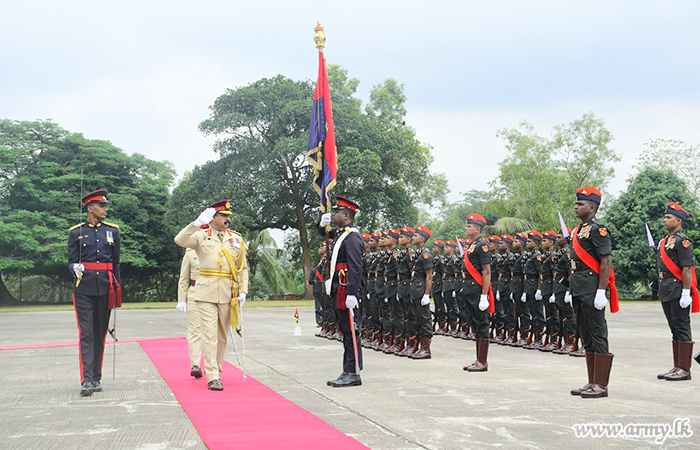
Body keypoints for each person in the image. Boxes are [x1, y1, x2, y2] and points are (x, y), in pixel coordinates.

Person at [174, 199, 248, 391]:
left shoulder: (236, 239)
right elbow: (179, 240)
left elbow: (243, 267)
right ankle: (213, 376)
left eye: (228, 216)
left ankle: (218, 371)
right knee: (209, 334)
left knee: (223, 335)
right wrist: (196, 223)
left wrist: (243, 290)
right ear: (212, 218)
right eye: (223, 215)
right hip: (205, 291)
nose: (227, 219)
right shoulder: (200, 236)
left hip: (228, 291)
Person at [68, 189, 121, 397]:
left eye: (105, 205)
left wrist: (117, 288)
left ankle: (97, 377)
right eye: (101, 206)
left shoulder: (113, 232)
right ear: (90, 208)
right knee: (87, 333)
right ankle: (87, 380)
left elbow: (115, 263)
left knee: (100, 332)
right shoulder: (76, 232)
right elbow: (70, 262)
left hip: (106, 286)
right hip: (84, 288)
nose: (105, 209)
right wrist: (74, 268)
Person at [569, 187, 617, 398]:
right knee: (585, 333)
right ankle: (591, 382)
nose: (576, 207)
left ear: (592, 207)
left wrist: (601, 291)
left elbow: (605, 261)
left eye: (580, 204)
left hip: (591, 286)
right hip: (579, 286)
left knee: (597, 334)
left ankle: (601, 385)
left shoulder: (599, 229)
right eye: (577, 203)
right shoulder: (579, 230)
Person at [319, 196, 365, 387]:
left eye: (337, 212)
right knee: (345, 330)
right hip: (339, 288)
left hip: (347, 289)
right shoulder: (341, 234)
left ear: (346, 215)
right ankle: (347, 369)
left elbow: (355, 266)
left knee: (352, 331)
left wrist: (353, 293)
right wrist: (321, 225)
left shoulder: (353, 236)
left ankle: (353, 372)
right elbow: (326, 235)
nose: (333, 214)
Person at [656, 202, 697, 381]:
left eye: (668, 217)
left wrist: (686, 292)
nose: (664, 220)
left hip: (678, 288)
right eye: (665, 217)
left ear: (678, 221)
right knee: (674, 328)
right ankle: (677, 366)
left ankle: (685, 369)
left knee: (682, 327)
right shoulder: (665, 241)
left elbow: (687, 269)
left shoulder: (683, 241)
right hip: (666, 288)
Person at [461, 214, 493, 372]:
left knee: (482, 324)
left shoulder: (482, 245)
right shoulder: (471, 245)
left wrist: (483, 296)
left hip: (477, 290)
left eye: (469, 226)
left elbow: (486, 272)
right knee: (475, 324)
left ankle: (483, 361)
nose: (466, 228)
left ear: (477, 229)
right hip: (468, 289)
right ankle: (478, 359)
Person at [177, 244, 204, 378]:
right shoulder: (190, 253)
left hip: (214, 293)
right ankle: (196, 364)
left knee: (214, 331)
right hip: (194, 293)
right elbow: (184, 279)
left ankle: (214, 365)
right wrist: (182, 299)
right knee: (195, 329)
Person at [409, 226, 434, 359]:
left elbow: (429, 276)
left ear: (422, 238)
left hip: (421, 290)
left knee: (425, 318)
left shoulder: (425, 254)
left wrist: (426, 294)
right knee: (418, 318)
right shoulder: (417, 253)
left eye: (415, 235)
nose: (413, 237)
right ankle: (419, 345)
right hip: (415, 289)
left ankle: (426, 348)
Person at [552, 228, 577, 355]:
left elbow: (570, 273)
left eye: (559, 236)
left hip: (564, 287)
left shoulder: (568, 253)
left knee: (568, 315)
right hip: (558, 287)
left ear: (566, 238)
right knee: (561, 315)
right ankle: (564, 341)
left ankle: (572, 341)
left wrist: (568, 290)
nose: (557, 238)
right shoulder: (559, 253)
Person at [539, 231, 560, 352]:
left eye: (545, 240)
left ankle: (554, 340)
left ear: (551, 243)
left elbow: (554, 275)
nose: (543, 243)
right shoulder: (545, 255)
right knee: (548, 315)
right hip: (545, 287)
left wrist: (554, 292)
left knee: (553, 315)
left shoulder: (553, 256)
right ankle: (549, 339)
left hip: (550, 286)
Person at [523, 231, 544, 350]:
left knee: (538, 313)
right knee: (532, 312)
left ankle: (539, 339)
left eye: (529, 241)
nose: (527, 243)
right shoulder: (530, 255)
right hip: (529, 286)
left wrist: (539, 289)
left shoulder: (537, 256)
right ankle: (534, 336)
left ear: (536, 243)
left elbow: (540, 274)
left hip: (535, 285)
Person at [497, 235, 514, 344]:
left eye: (501, 243)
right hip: (502, 285)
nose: (500, 245)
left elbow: (513, 274)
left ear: (507, 245)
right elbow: (499, 274)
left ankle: (511, 334)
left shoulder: (511, 257)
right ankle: (505, 333)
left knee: (510, 311)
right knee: (503, 311)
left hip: (509, 285)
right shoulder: (502, 257)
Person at [442, 240, 460, 337]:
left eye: (447, 247)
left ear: (452, 249)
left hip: (451, 284)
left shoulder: (453, 259)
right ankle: (449, 326)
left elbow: (455, 274)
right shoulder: (447, 259)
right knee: (448, 306)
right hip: (446, 284)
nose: (445, 249)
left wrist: (454, 287)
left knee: (453, 307)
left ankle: (454, 327)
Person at [431, 240, 447, 335]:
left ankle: (442, 325)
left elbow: (443, 274)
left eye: (435, 247)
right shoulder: (435, 258)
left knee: (440, 306)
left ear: (439, 249)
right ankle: (438, 324)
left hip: (439, 284)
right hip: (435, 284)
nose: (433, 248)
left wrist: (443, 287)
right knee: (437, 306)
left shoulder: (441, 259)